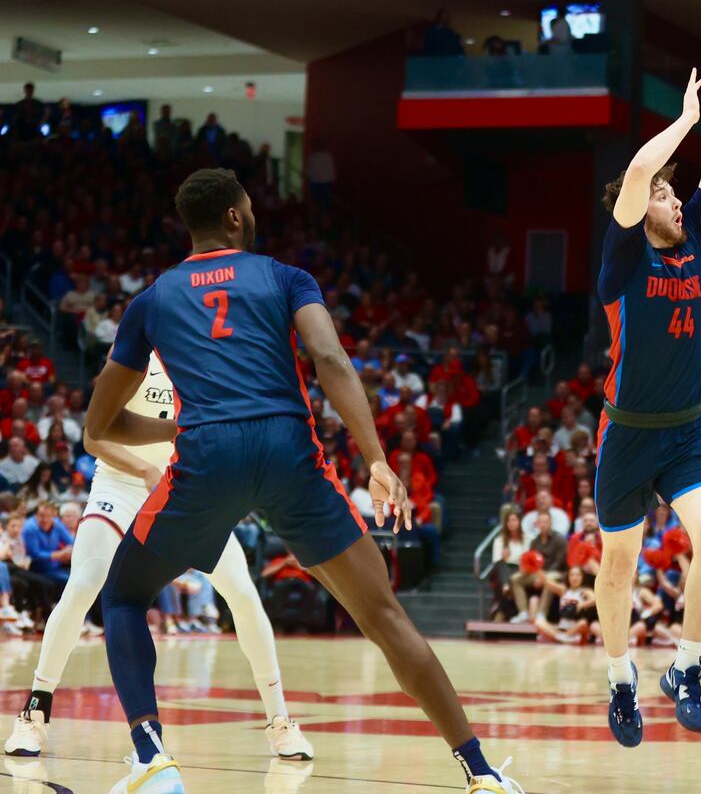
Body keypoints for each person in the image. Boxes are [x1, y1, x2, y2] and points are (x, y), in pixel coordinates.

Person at [84, 168, 521, 794]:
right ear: (235, 216)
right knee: (385, 619)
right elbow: (331, 359)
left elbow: (100, 424)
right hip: (291, 452)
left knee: (123, 597)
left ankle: (153, 759)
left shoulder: (151, 300)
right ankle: (481, 774)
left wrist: (183, 431)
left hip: (207, 453)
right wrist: (375, 458)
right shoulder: (287, 277)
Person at [6, 356, 313, 760]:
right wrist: (145, 472)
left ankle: (279, 721)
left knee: (241, 592)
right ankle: (35, 710)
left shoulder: (217, 357)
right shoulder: (140, 341)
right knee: (84, 584)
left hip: (185, 487)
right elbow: (95, 436)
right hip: (121, 483)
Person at [592, 14, 701, 748]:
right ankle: (621, 677)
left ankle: (685, 669)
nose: (673, 200)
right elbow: (634, 175)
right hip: (626, 434)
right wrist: (683, 117)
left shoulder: (694, 234)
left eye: (671, 194)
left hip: (688, 429)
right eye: (664, 195)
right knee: (619, 564)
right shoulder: (623, 260)